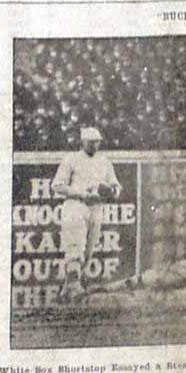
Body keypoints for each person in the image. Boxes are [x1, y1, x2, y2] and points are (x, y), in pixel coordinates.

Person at [52, 127, 121, 302]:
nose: (94, 145)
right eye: (91, 142)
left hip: (96, 207)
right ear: (83, 142)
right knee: (75, 247)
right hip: (76, 205)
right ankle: (74, 288)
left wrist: (112, 191)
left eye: (97, 141)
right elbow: (57, 185)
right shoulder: (71, 159)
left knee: (89, 250)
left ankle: (68, 291)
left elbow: (116, 185)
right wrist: (81, 194)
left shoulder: (105, 161)